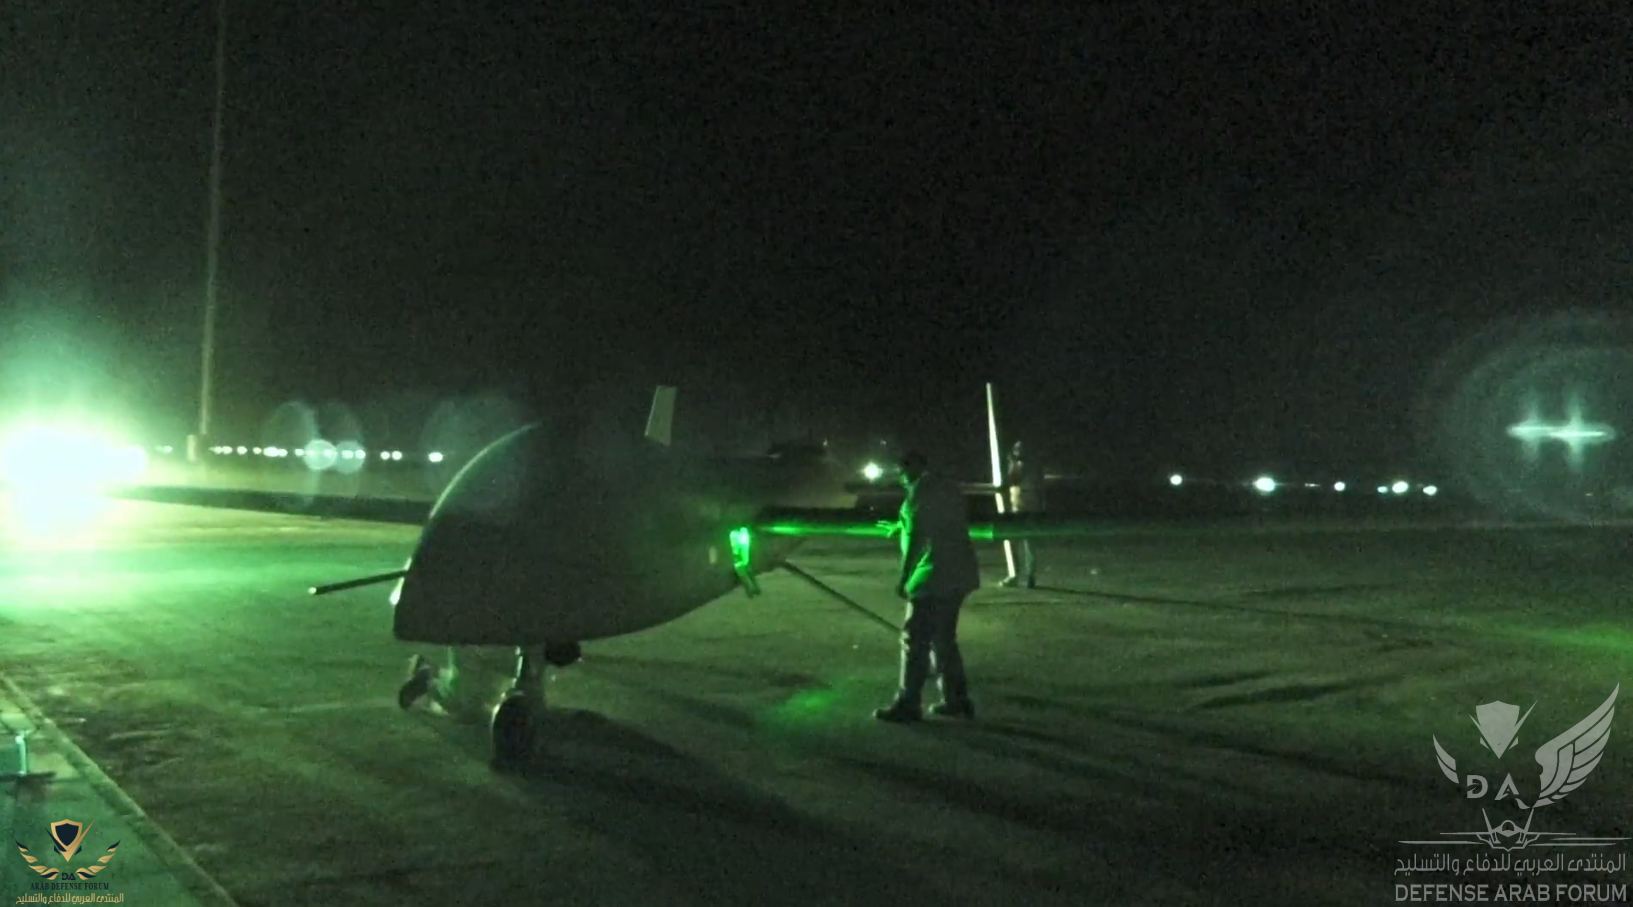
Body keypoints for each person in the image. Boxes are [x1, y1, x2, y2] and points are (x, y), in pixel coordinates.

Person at [874, 450, 980, 723]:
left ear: (910, 470)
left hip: (933, 576)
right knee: (943, 639)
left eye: (902, 471)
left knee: (914, 639)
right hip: (959, 573)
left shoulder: (919, 493)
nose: (900, 477)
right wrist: (901, 525)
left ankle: (908, 703)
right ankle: (956, 700)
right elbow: (935, 523)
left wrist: (903, 578)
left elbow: (918, 537)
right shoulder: (946, 489)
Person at [999, 440, 1043, 588]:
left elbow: (1015, 478)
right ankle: (1018, 574)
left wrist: (1012, 463)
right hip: (1018, 507)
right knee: (1015, 542)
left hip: (1027, 508)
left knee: (1027, 543)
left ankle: (1027, 576)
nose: (1017, 452)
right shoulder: (1019, 465)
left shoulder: (1025, 466)